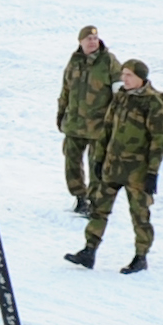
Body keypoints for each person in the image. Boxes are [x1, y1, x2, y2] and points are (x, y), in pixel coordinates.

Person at [68, 58, 163, 272]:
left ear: (140, 78)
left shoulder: (153, 103)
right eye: (123, 74)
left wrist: (152, 171)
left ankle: (140, 256)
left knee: (140, 215)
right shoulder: (120, 98)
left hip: (138, 170)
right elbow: (106, 130)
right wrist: (99, 159)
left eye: (129, 75)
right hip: (112, 167)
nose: (123, 78)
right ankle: (89, 250)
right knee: (99, 208)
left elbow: (159, 140)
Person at [57, 25, 117, 206]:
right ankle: (79, 197)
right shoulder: (74, 61)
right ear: (80, 42)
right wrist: (61, 114)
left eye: (95, 38)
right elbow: (66, 90)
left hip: (99, 126)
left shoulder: (108, 61)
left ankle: (95, 201)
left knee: (96, 165)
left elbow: (119, 92)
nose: (92, 42)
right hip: (74, 124)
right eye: (88, 39)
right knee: (71, 163)